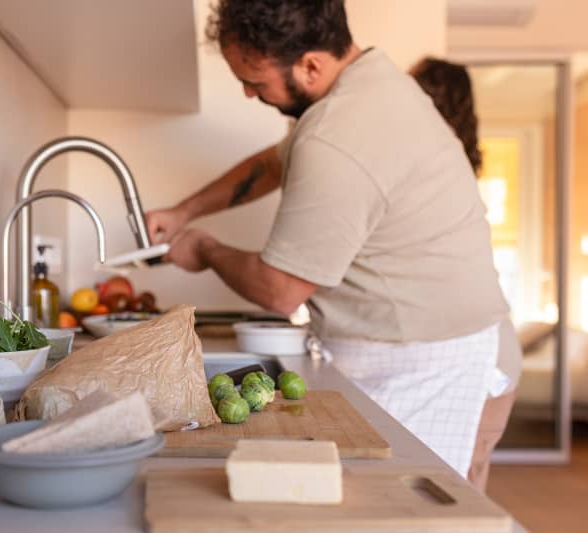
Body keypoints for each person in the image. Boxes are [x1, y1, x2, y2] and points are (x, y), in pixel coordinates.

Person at [146, 0, 512, 479]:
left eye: (256, 82)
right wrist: (185, 211)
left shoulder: (337, 135)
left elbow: (280, 290)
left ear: (311, 65)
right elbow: (277, 162)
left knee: (416, 513)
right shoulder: (370, 81)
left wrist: (204, 249)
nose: (246, 92)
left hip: (437, 361)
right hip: (425, 344)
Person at [411, 57, 522, 492]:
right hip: (489, 351)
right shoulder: (453, 172)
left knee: (461, 494)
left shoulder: (438, 175)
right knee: (462, 487)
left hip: (484, 358)